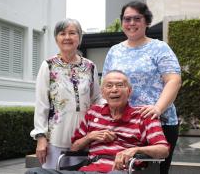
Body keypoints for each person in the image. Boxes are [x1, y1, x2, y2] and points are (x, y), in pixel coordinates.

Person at [26, 70, 169, 174]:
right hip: (89, 169)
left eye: (120, 85)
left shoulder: (144, 115)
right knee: (34, 173)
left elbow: (163, 150)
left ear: (129, 91)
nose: (114, 90)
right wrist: (90, 136)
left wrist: (135, 150)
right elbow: (75, 148)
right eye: (109, 86)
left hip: (121, 171)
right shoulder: (93, 112)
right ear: (103, 92)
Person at [102, 1, 182, 174]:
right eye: (127, 19)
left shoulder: (160, 48)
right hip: (123, 125)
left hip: (158, 123)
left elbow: (174, 80)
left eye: (137, 18)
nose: (131, 23)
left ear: (146, 21)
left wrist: (158, 109)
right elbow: (106, 85)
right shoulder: (114, 51)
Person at [30, 18, 102, 169]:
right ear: (56, 38)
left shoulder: (90, 66)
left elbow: (97, 99)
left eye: (72, 33)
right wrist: (41, 138)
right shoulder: (48, 65)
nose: (67, 37)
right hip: (56, 137)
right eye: (62, 33)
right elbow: (41, 103)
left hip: (84, 136)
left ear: (80, 37)